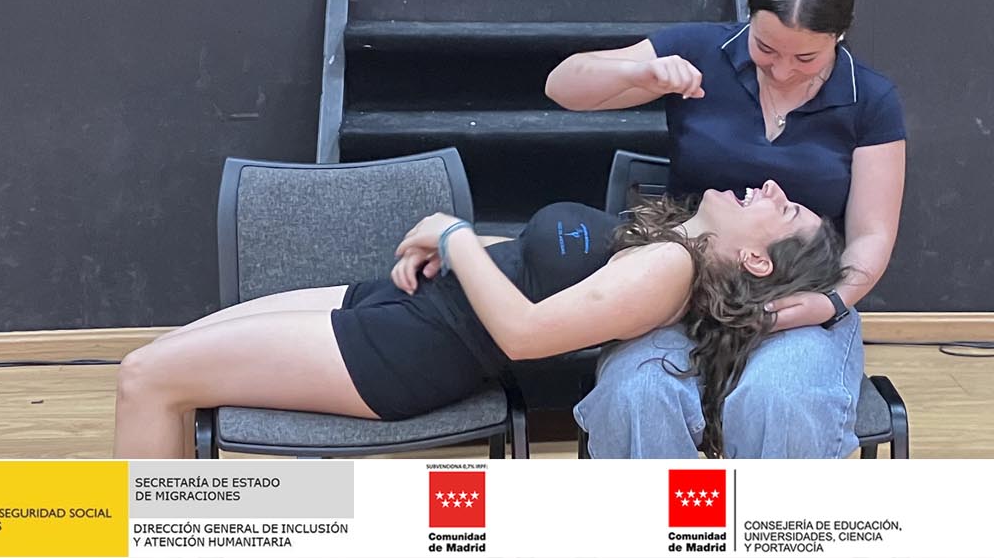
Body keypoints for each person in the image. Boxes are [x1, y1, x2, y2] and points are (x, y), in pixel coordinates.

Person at [113, 181, 843, 459]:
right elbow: (538, 264)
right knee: (169, 358)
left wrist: (454, 233)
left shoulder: (669, 271)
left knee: (148, 378)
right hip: (402, 301)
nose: (770, 187)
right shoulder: (668, 243)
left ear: (757, 259)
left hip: (405, 349)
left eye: (783, 210)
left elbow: (524, 334)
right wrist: (463, 250)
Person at [544, 0, 908, 458]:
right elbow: (562, 86)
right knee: (637, 394)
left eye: (806, 58)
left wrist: (830, 303)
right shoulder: (699, 50)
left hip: (797, 302)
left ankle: (765, 515)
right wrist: (637, 73)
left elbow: (872, 234)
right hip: (679, 296)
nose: (782, 70)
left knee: (779, 399)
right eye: (766, 48)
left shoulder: (870, 100)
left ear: (840, 34)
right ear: (749, 17)